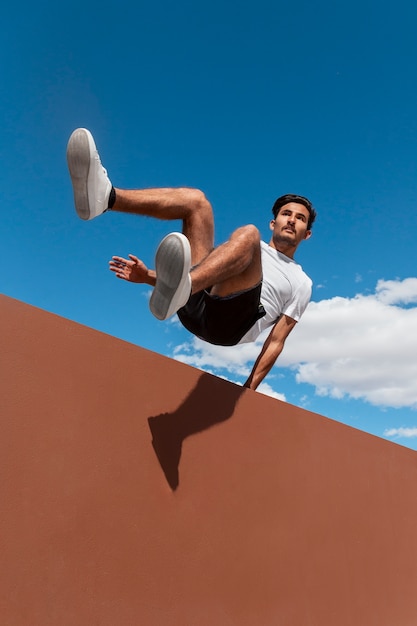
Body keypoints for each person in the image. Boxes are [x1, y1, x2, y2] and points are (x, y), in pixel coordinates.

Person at [67, 128, 316, 391]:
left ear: (307, 234)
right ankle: (106, 198)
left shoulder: (301, 281)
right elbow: (210, 272)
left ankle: (185, 287)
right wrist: (149, 278)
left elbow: (276, 340)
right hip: (196, 300)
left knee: (248, 236)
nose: (291, 220)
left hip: (229, 325)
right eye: (286, 214)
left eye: (300, 218)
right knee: (196, 201)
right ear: (274, 222)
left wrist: (249, 389)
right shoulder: (239, 252)